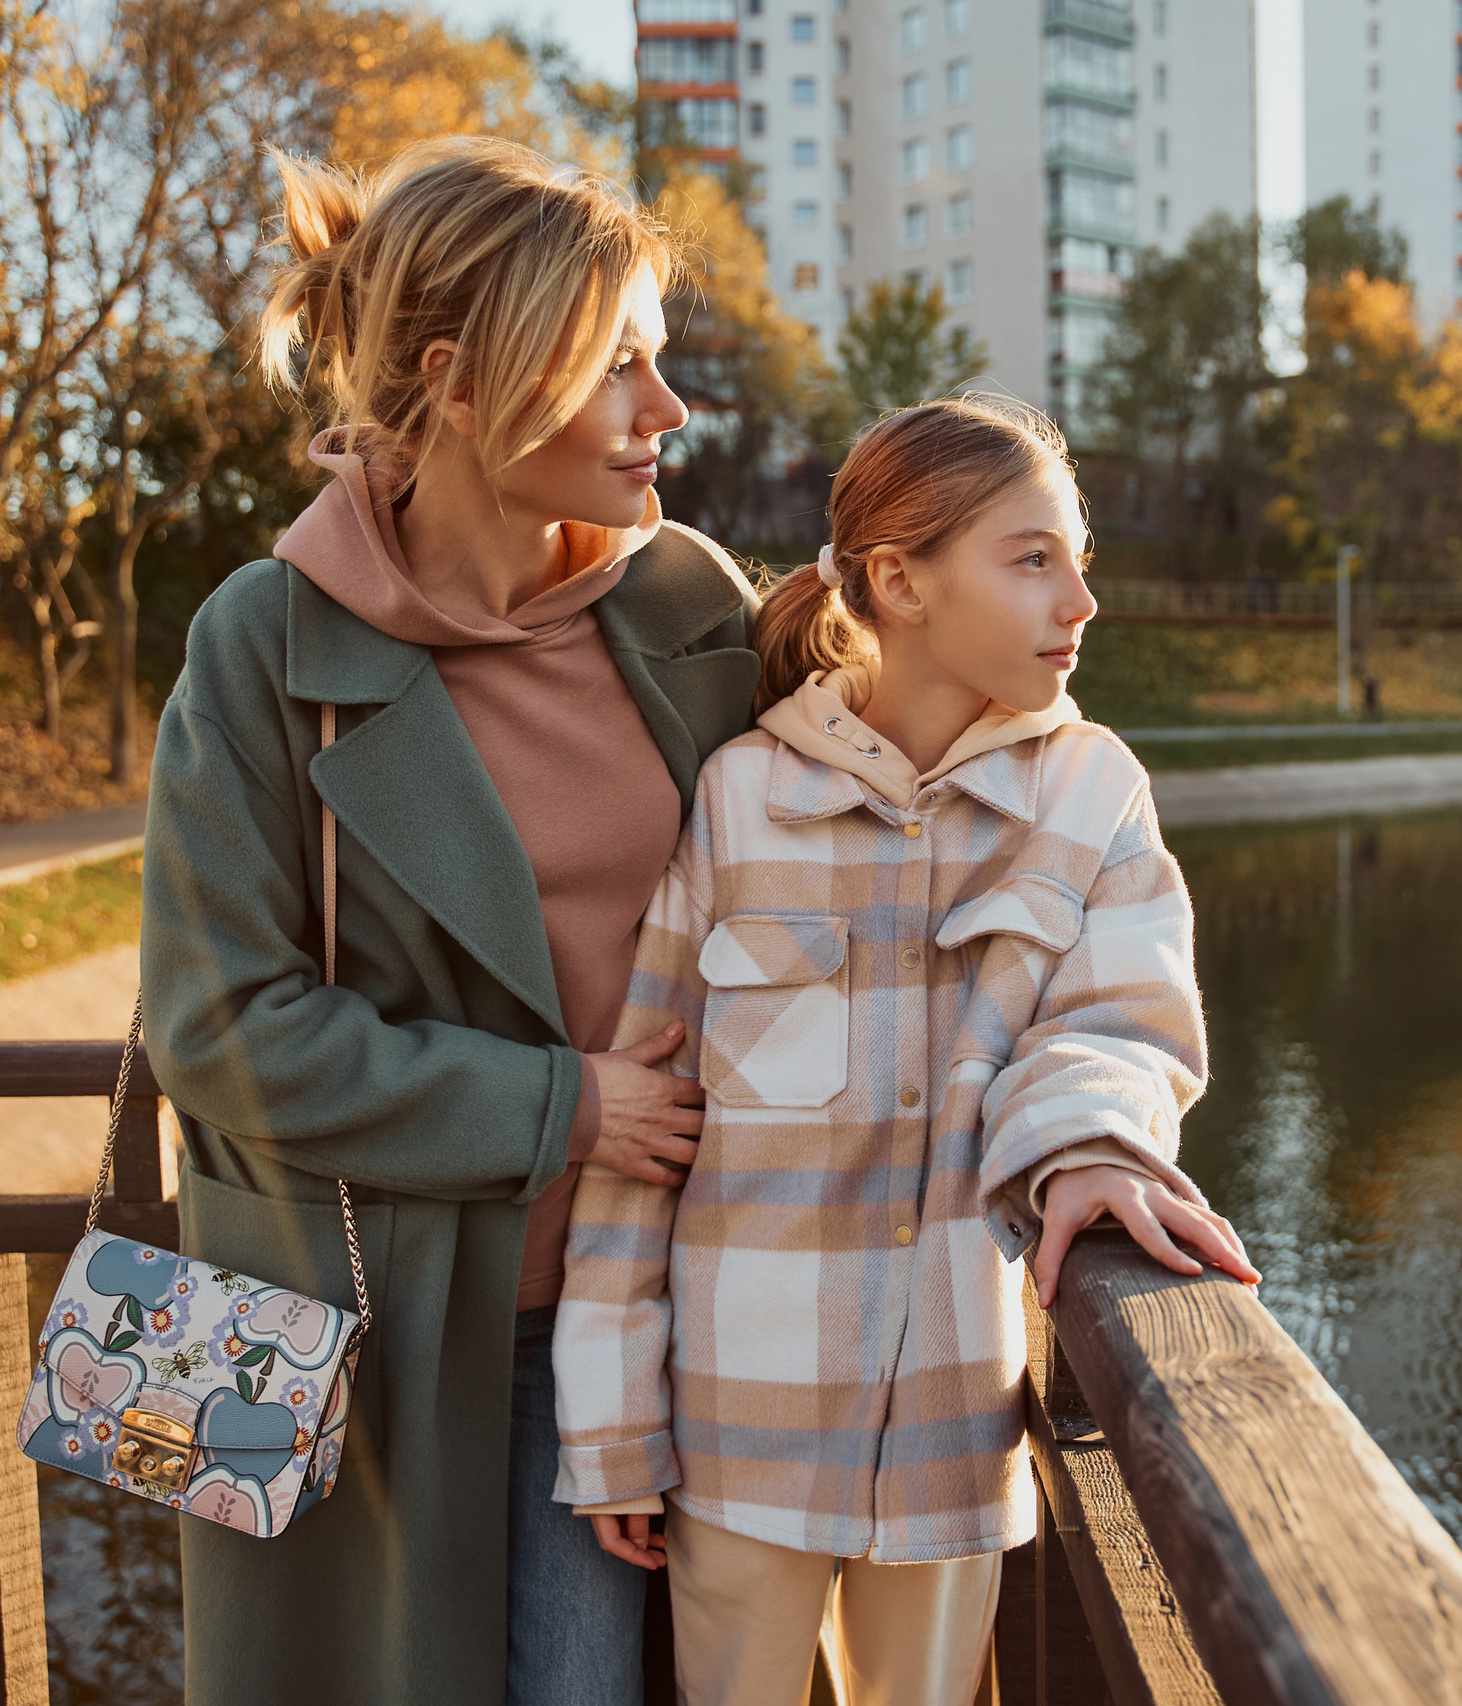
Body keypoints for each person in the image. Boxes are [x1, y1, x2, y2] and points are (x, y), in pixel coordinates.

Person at [137, 137, 762, 1706]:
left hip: (647, 1327)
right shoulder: (262, 647)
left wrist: (1084, 1124)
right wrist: (566, 1106)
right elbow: (218, 1027)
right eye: (619, 366)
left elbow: (895, 854)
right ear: (466, 385)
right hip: (366, 1330)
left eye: (660, 362)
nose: (666, 411)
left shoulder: (690, 607)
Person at [551, 398, 1258, 1705]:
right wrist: (613, 1425)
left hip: (951, 1434)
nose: (1082, 600)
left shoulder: (1094, 792)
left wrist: (1097, 1151)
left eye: (1078, 557)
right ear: (900, 580)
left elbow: (1120, 1026)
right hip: (734, 1435)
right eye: (1033, 557)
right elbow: (641, 1128)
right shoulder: (740, 798)